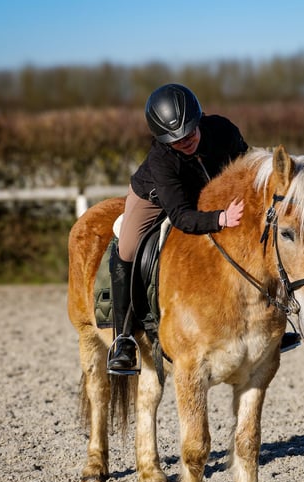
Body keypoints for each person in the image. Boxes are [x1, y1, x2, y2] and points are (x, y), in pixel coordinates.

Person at [107, 83, 247, 372]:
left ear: (199, 120)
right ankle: (123, 338)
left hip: (210, 190)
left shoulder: (223, 130)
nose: (185, 141)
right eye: (176, 140)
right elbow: (182, 216)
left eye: (190, 132)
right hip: (156, 198)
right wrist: (220, 219)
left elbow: (247, 166)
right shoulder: (162, 159)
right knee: (128, 247)